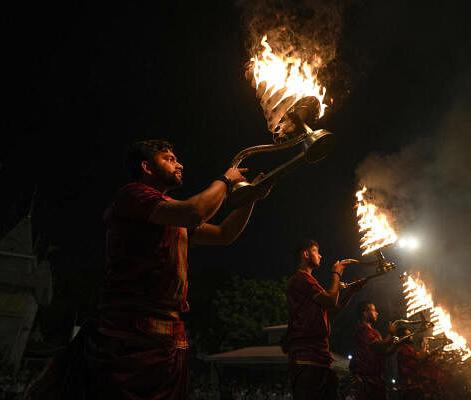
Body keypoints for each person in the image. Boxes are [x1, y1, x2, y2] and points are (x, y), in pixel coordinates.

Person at [27, 139, 270, 399]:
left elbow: (224, 234)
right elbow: (195, 212)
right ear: (147, 167)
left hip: (166, 337)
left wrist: (250, 199)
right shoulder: (132, 195)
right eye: (169, 159)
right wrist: (226, 179)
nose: (180, 165)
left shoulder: (171, 214)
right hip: (128, 336)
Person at [283, 239, 365, 400]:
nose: (320, 256)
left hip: (319, 356)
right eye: (316, 251)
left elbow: (332, 311)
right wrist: (336, 274)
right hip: (306, 358)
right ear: (306, 254)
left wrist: (352, 291)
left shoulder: (310, 281)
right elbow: (330, 300)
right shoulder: (301, 279)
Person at [350, 301, 398, 400]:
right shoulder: (362, 328)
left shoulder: (375, 332)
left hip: (378, 380)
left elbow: (384, 352)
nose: (377, 313)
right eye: (374, 310)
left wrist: (398, 345)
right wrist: (391, 334)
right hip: (367, 381)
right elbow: (380, 346)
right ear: (365, 313)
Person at [394, 328, 429, 400]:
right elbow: (419, 358)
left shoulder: (409, 348)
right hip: (409, 387)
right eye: (408, 335)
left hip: (414, 385)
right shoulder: (403, 349)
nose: (411, 336)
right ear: (403, 337)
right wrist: (424, 345)